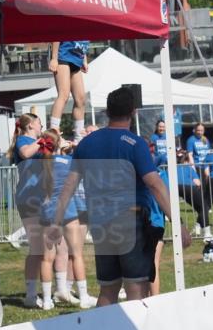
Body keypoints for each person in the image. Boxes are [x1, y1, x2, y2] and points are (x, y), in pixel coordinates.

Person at [49, 86, 191, 306]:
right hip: (129, 221)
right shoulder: (135, 143)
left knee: (108, 289)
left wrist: (56, 221)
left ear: (107, 111)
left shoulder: (86, 144)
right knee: (136, 288)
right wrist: (178, 222)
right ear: (133, 112)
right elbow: (154, 184)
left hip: (100, 223)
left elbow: (69, 185)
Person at [39, 131, 97, 308]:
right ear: (58, 144)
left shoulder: (38, 164)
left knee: (47, 258)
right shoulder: (70, 162)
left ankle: (48, 300)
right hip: (68, 209)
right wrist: (72, 147)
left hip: (47, 211)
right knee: (77, 254)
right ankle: (84, 296)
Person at [9, 113, 49, 308]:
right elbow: (25, 153)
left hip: (43, 199)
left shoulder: (39, 143)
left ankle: (52, 292)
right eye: (40, 123)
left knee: (46, 249)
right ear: (31, 125)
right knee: (36, 248)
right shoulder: (23, 140)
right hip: (29, 199)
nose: (42, 126)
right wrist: (44, 140)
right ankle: (31, 296)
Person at [48, 41, 88, 139]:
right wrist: (54, 58)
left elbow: (83, 42)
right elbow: (57, 36)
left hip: (77, 58)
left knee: (81, 99)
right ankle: (53, 131)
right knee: (64, 95)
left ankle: (79, 136)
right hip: (63, 56)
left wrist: (84, 60)